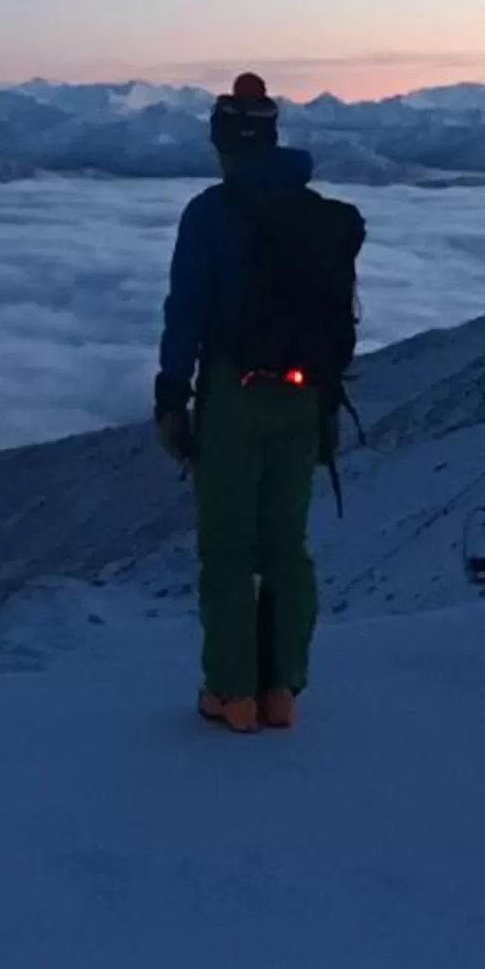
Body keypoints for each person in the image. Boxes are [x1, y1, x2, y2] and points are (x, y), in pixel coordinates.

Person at [153, 73, 337, 733]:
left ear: (225, 140)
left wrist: (172, 397)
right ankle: (282, 688)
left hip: (236, 395)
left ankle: (232, 696)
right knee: (286, 546)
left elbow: (186, 313)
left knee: (229, 551)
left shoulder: (210, 214)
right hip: (305, 396)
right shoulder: (314, 214)